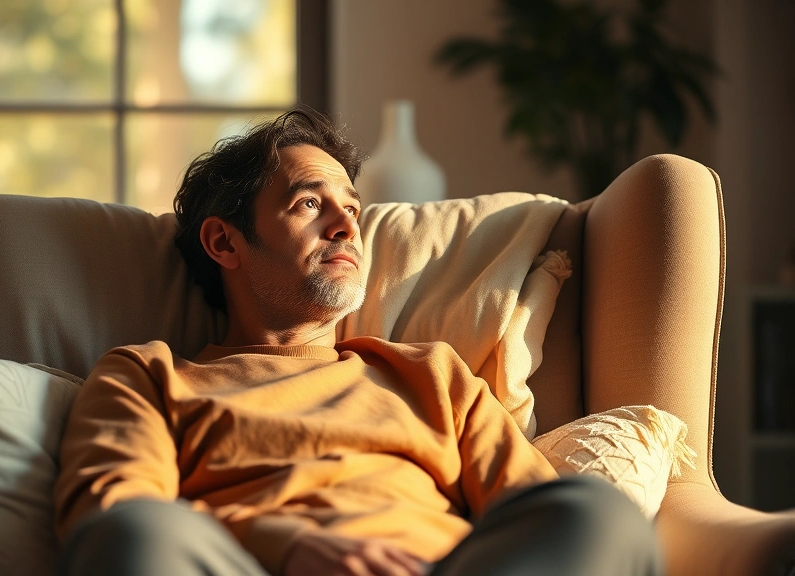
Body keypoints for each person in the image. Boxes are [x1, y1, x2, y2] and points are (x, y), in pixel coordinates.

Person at [53, 109, 662, 576]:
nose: (347, 226)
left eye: (352, 207)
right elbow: (111, 511)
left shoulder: (432, 375)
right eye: (309, 203)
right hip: (251, 567)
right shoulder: (148, 376)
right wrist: (283, 543)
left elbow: (532, 512)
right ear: (224, 243)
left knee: (593, 512)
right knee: (133, 534)